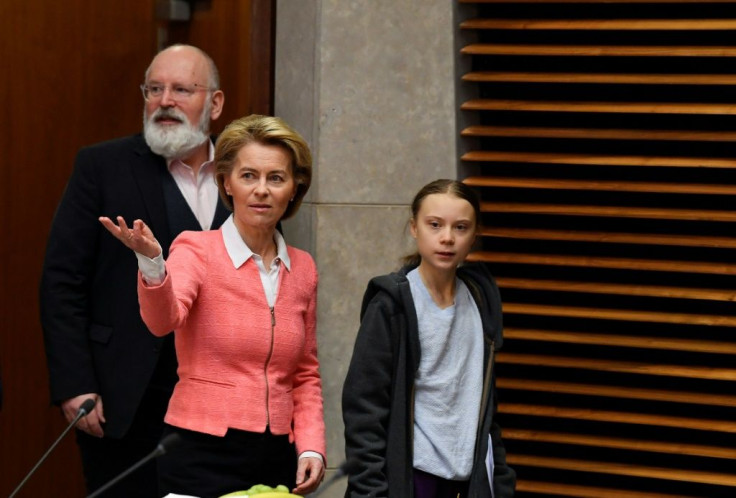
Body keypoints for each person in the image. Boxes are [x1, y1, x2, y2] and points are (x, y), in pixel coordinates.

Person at [99, 114, 326, 497]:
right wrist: (152, 265)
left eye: (276, 178)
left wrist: (312, 445)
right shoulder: (196, 249)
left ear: (294, 188)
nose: (261, 190)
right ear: (227, 183)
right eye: (248, 176)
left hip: (277, 457)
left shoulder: (302, 268)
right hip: (200, 452)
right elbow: (163, 320)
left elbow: (305, 372)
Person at [39, 44, 227, 497]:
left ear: (215, 103)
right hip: (124, 398)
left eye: (182, 89)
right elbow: (62, 280)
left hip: (220, 406)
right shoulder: (102, 167)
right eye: (155, 89)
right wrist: (75, 384)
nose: (165, 101)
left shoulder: (244, 174)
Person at [342, 179, 517, 497]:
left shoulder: (481, 299)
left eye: (461, 227)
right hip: (413, 475)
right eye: (434, 225)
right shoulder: (392, 304)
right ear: (414, 227)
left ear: (474, 235)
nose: (447, 238)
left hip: (469, 478)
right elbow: (364, 407)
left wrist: (500, 479)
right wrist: (368, 488)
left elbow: (486, 405)